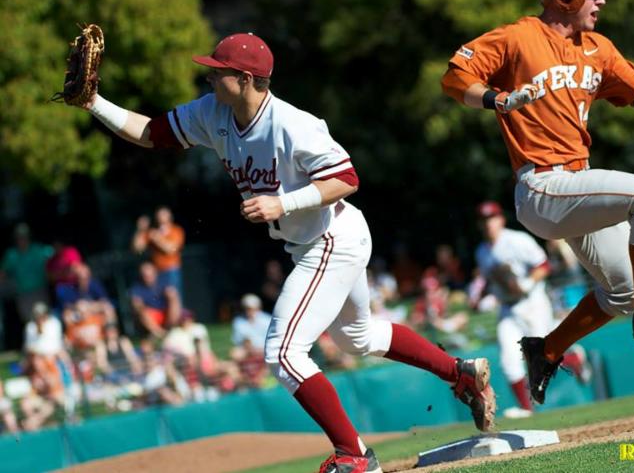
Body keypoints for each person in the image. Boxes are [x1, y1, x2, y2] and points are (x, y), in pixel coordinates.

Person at [77, 31, 496, 472]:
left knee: (282, 352)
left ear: (244, 79)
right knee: (356, 338)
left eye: (218, 72)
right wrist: (94, 103)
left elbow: (347, 179)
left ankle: (355, 455)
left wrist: (283, 203)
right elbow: (151, 133)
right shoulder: (213, 112)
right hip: (317, 242)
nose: (209, 79)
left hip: (331, 238)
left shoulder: (293, 124)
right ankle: (460, 372)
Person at [441, 0, 634, 406]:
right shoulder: (519, 37)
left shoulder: (597, 48)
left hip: (576, 186)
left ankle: (546, 350)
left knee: (622, 290)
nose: (601, 1)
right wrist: (494, 99)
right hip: (542, 186)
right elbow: (454, 78)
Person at [474, 201, 591, 418]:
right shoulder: (482, 252)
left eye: (491, 218)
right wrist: (482, 297)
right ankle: (526, 408)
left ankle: (575, 359)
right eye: (484, 220)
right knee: (509, 359)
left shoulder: (517, 240)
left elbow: (543, 264)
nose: (488, 223)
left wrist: (526, 283)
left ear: (501, 219)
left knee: (541, 356)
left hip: (532, 302)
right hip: (508, 308)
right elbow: (491, 281)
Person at [1, 224, 53, 322]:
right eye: (19, 238)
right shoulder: (11, 254)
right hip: (23, 294)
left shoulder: (39, 249)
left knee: (45, 319)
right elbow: (3, 273)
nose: (22, 240)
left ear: (29, 237)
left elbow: (55, 257)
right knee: (30, 322)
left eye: (24, 237)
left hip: (40, 291)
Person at [132, 207, 186, 294]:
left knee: (173, 295)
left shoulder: (176, 230)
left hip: (171, 270)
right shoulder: (152, 232)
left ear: (170, 216)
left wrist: (157, 238)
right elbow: (137, 249)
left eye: (163, 214)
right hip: (156, 272)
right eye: (159, 214)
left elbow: (171, 249)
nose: (160, 217)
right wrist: (140, 230)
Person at [129, 261, 182, 338]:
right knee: (142, 310)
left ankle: (171, 329)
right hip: (151, 317)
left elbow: (173, 294)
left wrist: (170, 294)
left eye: (150, 275)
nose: (148, 277)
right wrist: (138, 304)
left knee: (174, 298)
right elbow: (136, 304)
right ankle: (160, 334)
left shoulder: (164, 282)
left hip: (166, 314)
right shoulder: (136, 287)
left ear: (155, 273)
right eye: (145, 275)